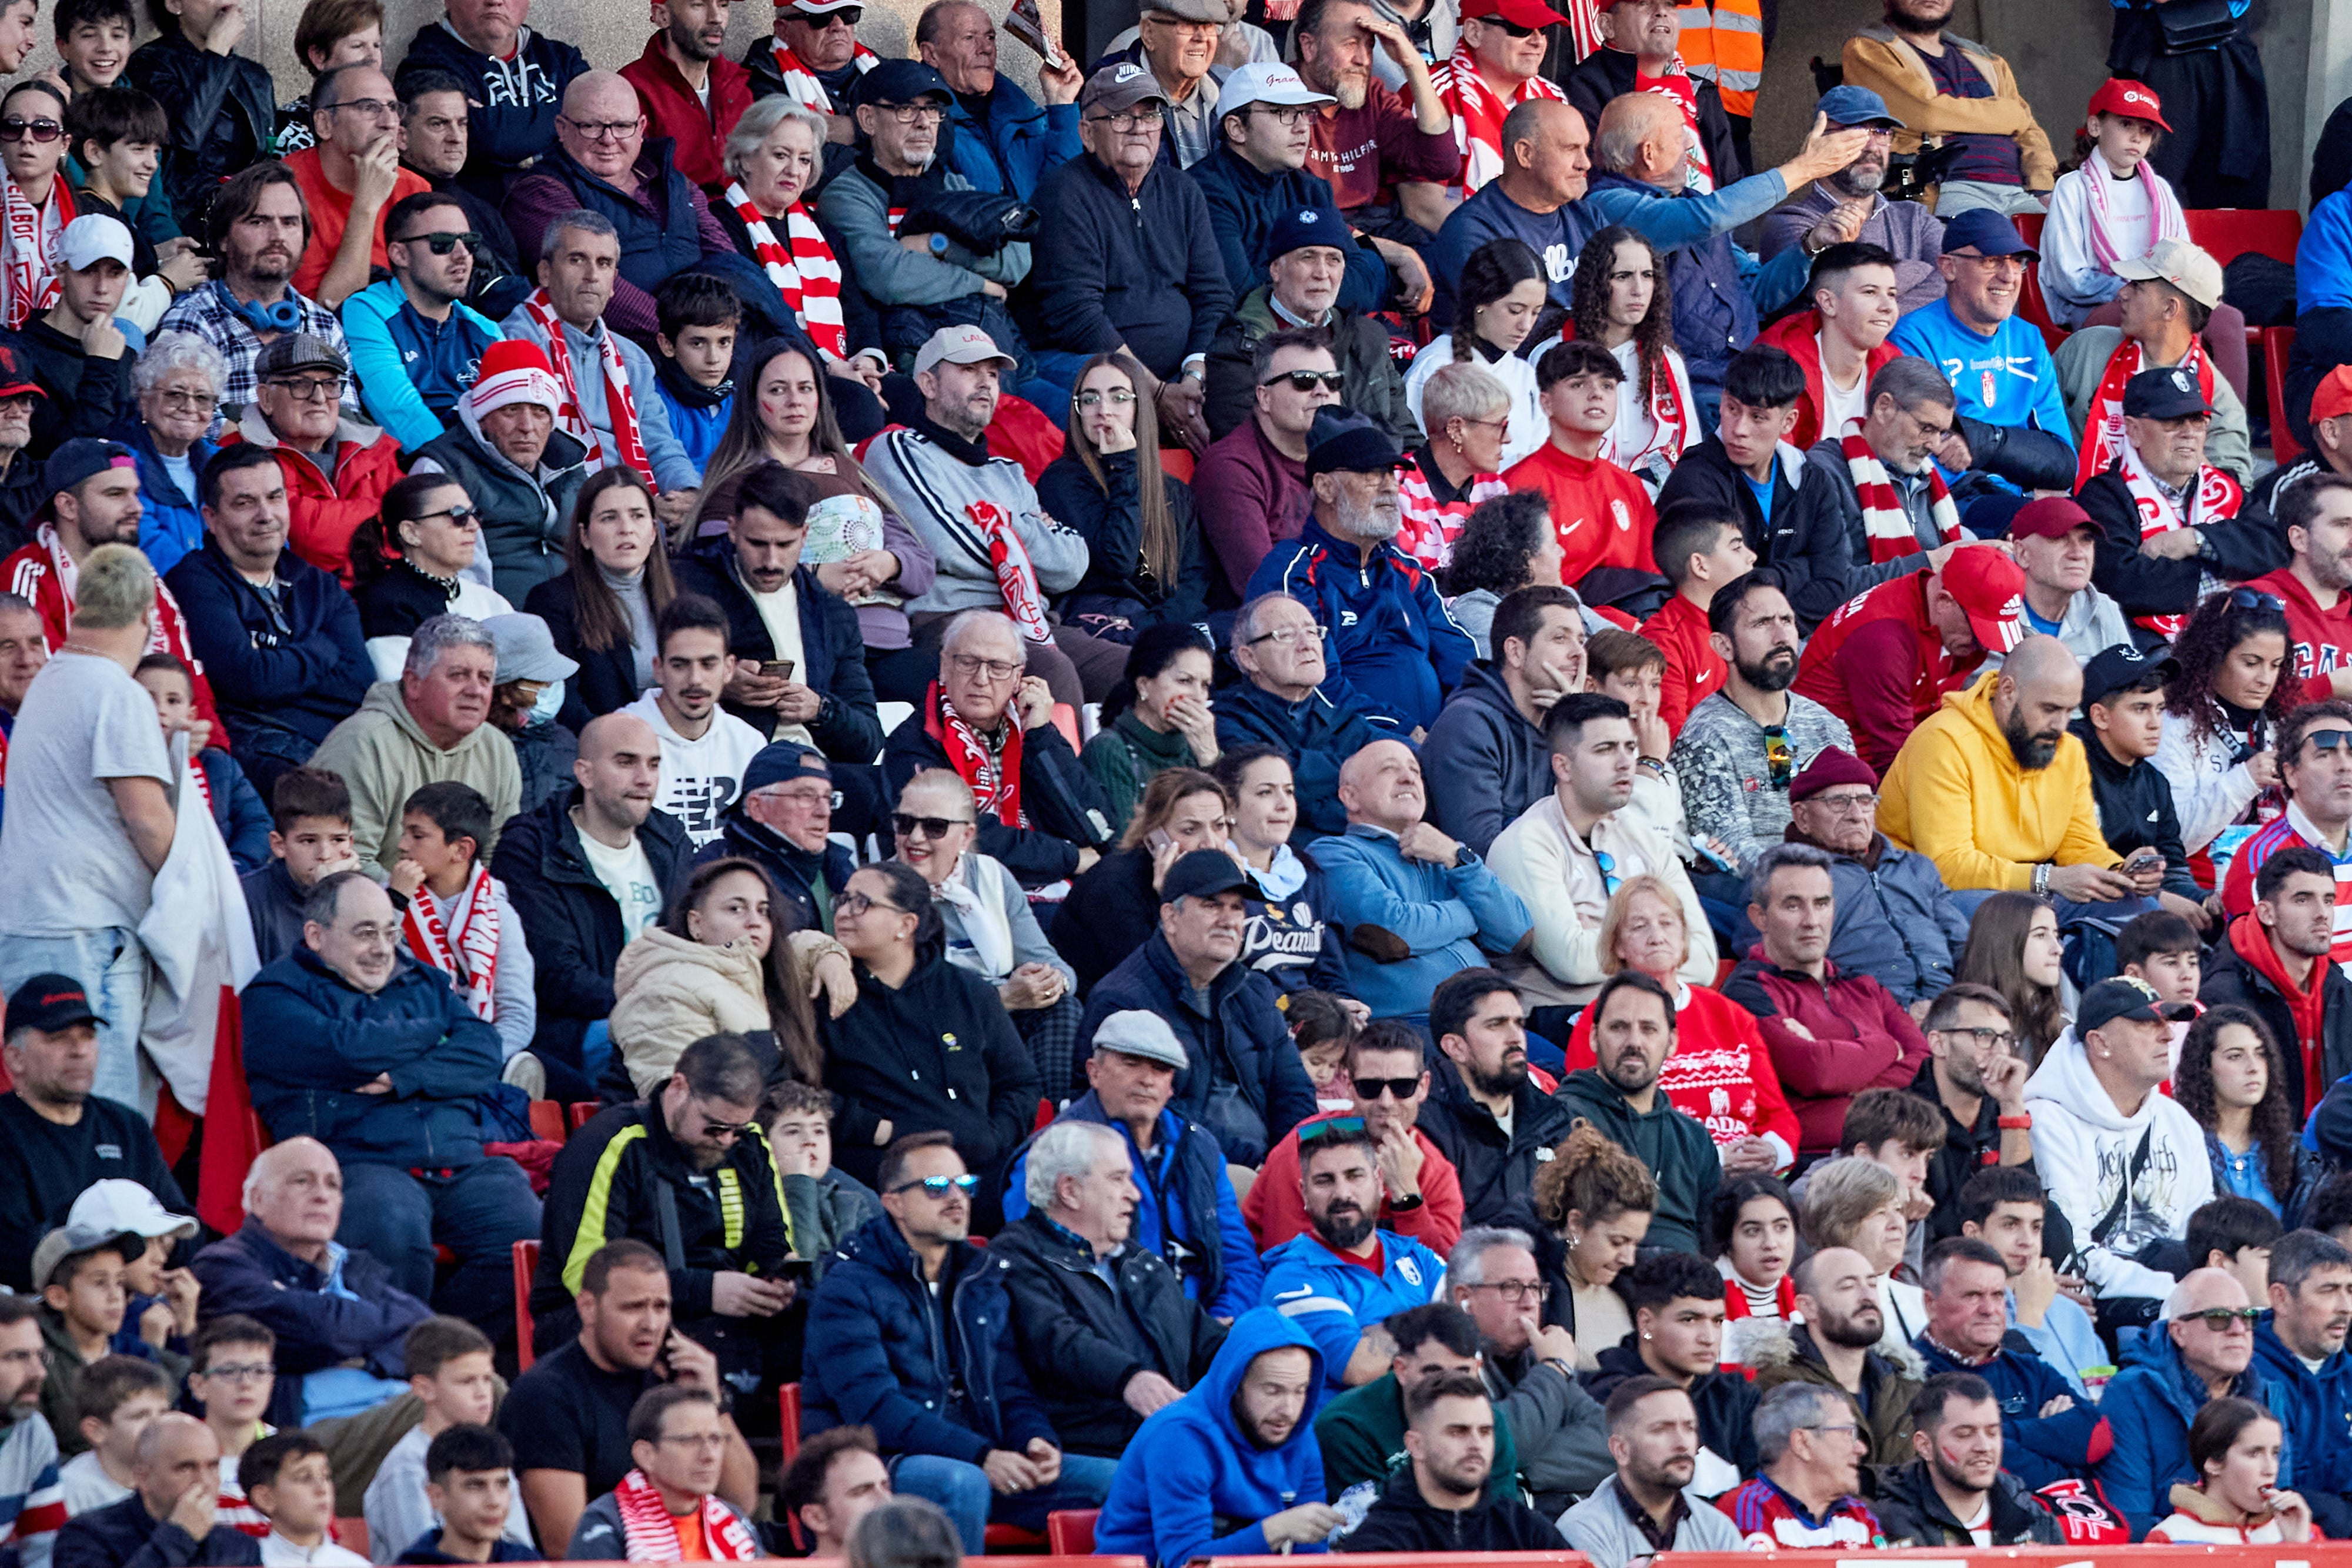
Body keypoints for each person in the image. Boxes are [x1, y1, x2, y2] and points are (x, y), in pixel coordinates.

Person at [239, 872, 539, 1343]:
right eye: (365, 933)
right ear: (316, 935)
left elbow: (484, 1051)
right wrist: (432, 1031)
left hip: (461, 1161)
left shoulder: (423, 980)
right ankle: (399, 1359)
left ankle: (442, 1347)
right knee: (392, 1228)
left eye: (389, 932)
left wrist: (403, 1077)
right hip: (360, 1162)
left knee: (531, 1232)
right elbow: (345, 1049)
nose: (382, 948)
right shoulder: (274, 994)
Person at [801, 1135, 1114, 1554]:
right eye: (936, 1186)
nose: (956, 1198)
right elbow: (874, 1409)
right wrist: (982, 1455)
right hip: (883, 1461)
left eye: (965, 1185)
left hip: (979, 1456)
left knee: (1116, 1480)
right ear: (894, 1203)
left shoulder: (979, 1277)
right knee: (960, 1483)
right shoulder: (848, 1286)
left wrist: (1035, 1439)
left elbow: (1009, 1386)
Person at [862, 327, 1121, 710]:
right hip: (950, 622)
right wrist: (1024, 538)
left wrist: (1000, 527)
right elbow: (946, 546)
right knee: (1052, 672)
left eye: (993, 374)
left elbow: (1072, 564)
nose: (986, 382)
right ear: (928, 384)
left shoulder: (1009, 472)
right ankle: (1057, 754)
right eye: (969, 370)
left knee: (1137, 672)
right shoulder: (899, 449)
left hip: (1031, 623)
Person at [0, 547, 173, 1108]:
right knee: (102, 1118)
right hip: (83, 929)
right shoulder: (115, 692)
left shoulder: (52, 682)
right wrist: (195, 891)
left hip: (43, 924)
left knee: (53, 1115)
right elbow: (146, 819)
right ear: (146, 617)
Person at [535, 1029, 797, 1376]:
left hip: (719, 1311)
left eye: (737, 1130)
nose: (726, 1140)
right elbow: (592, 1276)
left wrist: (775, 1280)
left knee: (822, 1330)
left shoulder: (749, 1144)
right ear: (679, 1088)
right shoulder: (611, 1143)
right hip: (608, 1314)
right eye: (714, 1127)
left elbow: (771, 1240)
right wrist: (706, 1291)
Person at [1003, 1008, 1264, 1321]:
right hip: (1113, 1330)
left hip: (1210, 1325)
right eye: (1131, 1064)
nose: (1147, 1080)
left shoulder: (1200, 1147)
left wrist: (1220, 1324)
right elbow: (1040, 1273)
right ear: (1094, 1072)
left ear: (1171, 1085)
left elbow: (1239, 1260)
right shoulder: (1051, 1153)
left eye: (1161, 1068)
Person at [497, 1239, 754, 1555]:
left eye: (661, 1307)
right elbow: (569, 1545)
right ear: (588, 1308)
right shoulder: (545, 1395)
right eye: (633, 1308)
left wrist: (712, 1402)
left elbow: (743, 1504)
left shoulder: (673, 1380)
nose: (651, 1324)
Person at [991, 1121, 1227, 1459]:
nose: (1135, 1194)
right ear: (1070, 1191)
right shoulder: (1017, 1258)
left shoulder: (1140, 1262)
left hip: (1168, 1440)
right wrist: (1129, 1379)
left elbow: (1201, 1335)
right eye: (1118, 1179)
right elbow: (1059, 1340)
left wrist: (1263, 1356)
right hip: (1089, 1448)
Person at [487, 711, 691, 1102]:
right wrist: (650, 1005)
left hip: (669, 1014)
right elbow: (555, 974)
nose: (644, 778)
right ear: (585, 773)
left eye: (653, 764)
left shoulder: (670, 840)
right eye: (626, 762)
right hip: (578, 1028)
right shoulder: (532, 846)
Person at [1070, 845, 1317, 1155]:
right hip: (1181, 1163)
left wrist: (1293, 1158)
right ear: (1171, 917)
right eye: (1212, 905)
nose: (1229, 920)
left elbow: (1294, 1089)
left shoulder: (1255, 990)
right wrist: (1256, 1164)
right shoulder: (1123, 1000)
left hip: (1269, 1162)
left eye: (1237, 908)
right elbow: (1161, 1115)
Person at [813, 62, 1042, 394]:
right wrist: (979, 283)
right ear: (868, 120)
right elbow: (889, 277)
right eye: (906, 110)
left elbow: (1018, 261)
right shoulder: (846, 195)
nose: (923, 123)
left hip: (999, 348)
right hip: (920, 364)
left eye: (932, 110)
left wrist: (937, 246)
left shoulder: (951, 183)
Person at [821, 864, 1043, 1194]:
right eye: (843, 900)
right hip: (877, 1178)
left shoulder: (969, 993)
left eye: (862, 903)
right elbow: (802, 1092)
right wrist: (882, 1131)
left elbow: (1020, 1083)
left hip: (977, 1171)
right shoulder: (824, 994)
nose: (843, 913)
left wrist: (993, 1137)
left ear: (906, 925)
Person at [1031, 65, 1228, 436]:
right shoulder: (1064, 194)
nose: (1139, 127)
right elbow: (1078, 317)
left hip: (1181, 373)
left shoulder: (1183, 191)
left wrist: (1194, 374)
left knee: (1253, 385)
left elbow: (1213, 295)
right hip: (1094, 365)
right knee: (1113, 395)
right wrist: (1155, 392)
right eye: (1121, 117)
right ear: (1087, 133)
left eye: (1150, 115)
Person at [1248, 412, 1474, 733]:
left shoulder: (1405, 570)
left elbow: (1461, 659)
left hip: (1437, 740)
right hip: (1349, 746)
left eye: (1391, 473)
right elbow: (1312, 687)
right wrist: (1403, 731)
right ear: (1325, 487)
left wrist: (1464, 725)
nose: (1389, 486)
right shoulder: (1293, 571)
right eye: (1371, 474)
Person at [1489, 696, 1716, 1012]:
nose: (1625, 763)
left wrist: (1598, 937)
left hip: (1659, 1012)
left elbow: (1704, 960)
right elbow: (1572, 963)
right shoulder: (1525, 844)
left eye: (1630, 747)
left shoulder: (1642, 836)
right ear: (1563, 767)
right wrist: (1658, 949)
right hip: (1567, 1018)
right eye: (1606, 749)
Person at [1562, 878, 1794, 1168]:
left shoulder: (1731, 1016)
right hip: (1662, 1178)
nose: (1657, 937)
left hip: (1752, 1174)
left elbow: (1777, 1114)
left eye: (1667, 923)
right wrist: (1713, 1162)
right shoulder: (1599, 1022)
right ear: (1618, 945)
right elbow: (1594, 1125)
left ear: (1683, 938)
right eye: (1639, 927)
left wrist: (1772, 1153)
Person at [878, 610, 1117, 890]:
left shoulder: (1033, 732)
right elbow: (958, 838)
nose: (982, 679)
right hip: (953, 892)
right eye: (968, 662)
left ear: (1018, 677)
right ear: (944, 666)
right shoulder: (915, 742)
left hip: (1054, 886)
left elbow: (1095, 825)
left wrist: (1041, 738)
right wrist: (1070, 858)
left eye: (998, 667)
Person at [1722, 844, 1929, 1159]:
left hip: (1898, 1156)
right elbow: (1816, 1071)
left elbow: (1922, 1064)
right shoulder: (1747, 991)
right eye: (1793, 906)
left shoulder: (1865, 987)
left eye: (1821, 904)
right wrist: (1888, 1047)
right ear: (1760, 917)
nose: (1811, 921)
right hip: (1813, 1163)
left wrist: (1846, 1074)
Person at [670, 466, 884, 761]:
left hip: (814, 767)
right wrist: (716, 684)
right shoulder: (686, 585)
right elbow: (647, 683)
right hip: (726, 763)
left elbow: (869, 741)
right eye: (757, 543)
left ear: (804, 536)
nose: (770, 561)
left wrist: (820, 710)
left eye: (785, 545)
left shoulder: (833, 614)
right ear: (733, 530)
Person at [2024, 975, 2214, 1310]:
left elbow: (2199, 1236)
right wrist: (2181, 1294)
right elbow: (2073, 1248)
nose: (2168, 1035)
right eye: (2147, 1023)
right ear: (2100, 1043)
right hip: (2097, 1310)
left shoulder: (2178, 1122)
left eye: (2167, 1022)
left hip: (2176, 1304)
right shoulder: (2048, 1121)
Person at [1092, 1308, 1338, 1564]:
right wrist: (1275, 1530)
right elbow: (1186, 1561)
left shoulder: (1298, 1434)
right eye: (1272, 1391)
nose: (1289, 1410)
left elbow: (1310, 1554)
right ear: (1235, 1385)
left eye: (1300, 1391)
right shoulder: (1180, 1437)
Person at [1314, 739, 1533, 1024]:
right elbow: (1392, 933)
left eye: (1415, 771)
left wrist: (1456, 857)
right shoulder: (1333, 853)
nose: (1408, 778)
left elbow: (1517, 933)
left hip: (1491, 1019)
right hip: (1408, 1025)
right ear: (1350, 797)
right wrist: (1471, 914)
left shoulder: (1444, 854)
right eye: (1389, 769)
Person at [497, 211, 702, 512]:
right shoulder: (512, 345)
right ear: (545, 272)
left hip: (635, 508)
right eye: (577, 260)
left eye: (604, 263)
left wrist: (687, 494)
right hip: (557, 508)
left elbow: (660, 445)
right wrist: (631, 508)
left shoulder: (634, 359)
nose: (592, 275)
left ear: (614, 281)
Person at [0, 977, 188, 1295]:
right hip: (45, 1309)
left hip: (140, 1303)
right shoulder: (6, 1132)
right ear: (15, 1058)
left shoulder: (127, 1126)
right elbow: (14, 1250)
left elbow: (184, 1225)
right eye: (59, 1038)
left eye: (88, 1036)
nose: (79, 1051)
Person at [890, 768, 1078, 1079]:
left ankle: (1047, 1108)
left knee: (1063, 1009)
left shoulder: (991, 876)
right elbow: (904, 1004)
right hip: (926, 1034)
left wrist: (1050, 982)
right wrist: (1002, 998)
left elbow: (1051, 963)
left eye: (935, 827)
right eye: (905, 823)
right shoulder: (880, 891)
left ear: (966, 836)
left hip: (996, 1023)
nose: (916, 838)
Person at [1885, 212, 2077, 516]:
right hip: (1955, 504)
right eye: (1991, 261)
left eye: (2017, 262)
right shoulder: (1913, 338)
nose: (2009, 276)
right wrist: (2024, 491)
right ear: (1949, 267)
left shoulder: (2027, 338)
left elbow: (2063, 462)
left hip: (2019, 496)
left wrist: (1979, 442)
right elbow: (1925, 457)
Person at [1672, 571, 1856, 875]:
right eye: (1762, 623)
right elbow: (1732, 851)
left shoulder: (1827, 726)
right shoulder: (1703, 738)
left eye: (1787, 620)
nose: (1781, 636)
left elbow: (1856, 825)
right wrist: (1818, 879)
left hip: (1843, 881)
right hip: (1767, 891)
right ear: (1723, 646)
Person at [308, 616, 519, 880]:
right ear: (414, 683)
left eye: (485, 678)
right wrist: (425, 903)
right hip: (371, 901)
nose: (476, 690)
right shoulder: (363, 741)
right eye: (458, 676)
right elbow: (342, 862)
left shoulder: (498, 748)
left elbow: (497, 859)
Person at [2096, 1266, 2291, 1537]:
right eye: (2219, 1318)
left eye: (2247, 1317)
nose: (2238, 1330)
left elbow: (2276, 1503)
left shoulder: (2269, 1395)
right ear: (2179, 1331)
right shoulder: (2131, 1394)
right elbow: (2130, 1519)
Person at [1259, 1119, 1449, 1392]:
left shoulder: (1416, 1255)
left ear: (1379, 1182)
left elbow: (1470, 1326)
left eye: (1354, 1176)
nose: (1342, 1193)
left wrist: (1381, 1332)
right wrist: (1437, 1323)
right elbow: (1357, 1367)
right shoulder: (1291, 1277)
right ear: (1305, 1194)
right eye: (1324, 1181)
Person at [1773, 748, 1969, 1012]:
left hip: (1948, 1008)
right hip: (1866, 1014)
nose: (1856, 814)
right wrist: (1895, 1014)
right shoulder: (1785, 877)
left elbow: (1963, 946)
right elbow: (1783, 971)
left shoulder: (1916, 867)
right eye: (1839, 802)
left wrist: (1967, 1004)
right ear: (1802, 817)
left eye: (1865, 801)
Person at [1906, 1237, 2106, 1489]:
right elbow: (1982, 1469)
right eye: (1973, 1296)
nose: (1989, 1309)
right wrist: (2055, 1442)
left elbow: (2099, 1435)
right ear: (1931, 1304)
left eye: (1998, 1295)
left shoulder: (2029, 1369)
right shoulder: (1911, 1378)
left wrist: (2005, 1433)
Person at [1247, 1019, 1462, 1254]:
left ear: (1423, 1087)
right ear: (1349, 1085)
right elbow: (1291, 1258)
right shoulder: (1304, 1147)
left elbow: (1442, 1269)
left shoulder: (1437, 1169)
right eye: (1370, 1087)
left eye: (1403, 1087)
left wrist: (1408, 1196)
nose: (1386, 1102)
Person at [1202, 207, 1412, 447]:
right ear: (1276, 269)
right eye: (1308, 258)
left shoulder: (1369, 337)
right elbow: (1248, 449)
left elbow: (1408, 437)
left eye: (1333, 260)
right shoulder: (1238, 349)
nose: (1322, 273)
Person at [154, 166, 352, 419]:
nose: (278, 236)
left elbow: (348, 424)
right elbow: (185, 423)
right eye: (258, 222)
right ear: (223, 239)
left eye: (289, 223)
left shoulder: (324, 326)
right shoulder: (191, 321)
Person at [1190, 65, 1382, 322]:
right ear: (1237, 129)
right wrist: (1317, 284)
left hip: (1314, 335)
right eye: (1283, 113)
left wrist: (1286, 279)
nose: (1302, 127)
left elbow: (1363, 287)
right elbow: (1242, 296)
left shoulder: (1312, 190)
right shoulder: (1202, 192)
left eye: (1305, 113)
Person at [407, 342, 592, 609]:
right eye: (511, 410)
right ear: (483, 417)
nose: (527, 427)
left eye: (540, 412)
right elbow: (457, 584)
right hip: (500, 624)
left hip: (582, 616)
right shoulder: (442, 470)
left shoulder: (570, 462)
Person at [1039, 355, 1210, 643]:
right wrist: (1124, 465)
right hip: (1094, 623)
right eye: (1090, 399)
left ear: (1139, 408)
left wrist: (1157, 625)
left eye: (1118, 398)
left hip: (1159, 624)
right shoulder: (1061, 481)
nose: (1103, 411)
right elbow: (1117, 559)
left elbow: (1193, 581)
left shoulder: (1175, 491)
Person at [2059, 240, 2251, 489]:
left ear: (2169, 308)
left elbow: (2233, 491)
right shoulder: (2086, 348)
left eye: (2137, 286)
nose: (2122, 293)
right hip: (2077, 504)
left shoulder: (2216, 396)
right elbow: (2035, 424)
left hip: (2168, 514)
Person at [222, 333, 404, 590]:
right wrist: (386, 517)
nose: (319, 398)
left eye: (330, 384)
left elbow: (418, 523)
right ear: (266, 398)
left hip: (387, 595)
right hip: (299, 601)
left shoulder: (376, 448)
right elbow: (305, 537)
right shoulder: (238, 456)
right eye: (301, 385)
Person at [1839, 0, 2052, 218]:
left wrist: (2042, 186)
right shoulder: (1866, 50)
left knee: (2061, 233)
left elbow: (2030, 131)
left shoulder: (1988, 61)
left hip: (2019, 192)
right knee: (1989, 235)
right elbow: (1926, 114)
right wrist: (2011, 116)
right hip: (1944, 190)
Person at [1424, 584, 1586, 855]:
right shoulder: (1468, 725)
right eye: (1560, 638)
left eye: (1581, 640)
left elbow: (1604, 826)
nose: (1578, 653)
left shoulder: (1564, 721)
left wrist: (1580, 726)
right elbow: (1485, 850)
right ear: (1515, 652)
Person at [339, 193, 506, 454]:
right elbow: (399, 411)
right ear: (400, 254)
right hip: (417, 468)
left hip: (483, 465)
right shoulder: (367, 311)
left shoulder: (488, 331)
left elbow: (512, 416)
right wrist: (455, 467)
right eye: (443, 243)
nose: (462, 255)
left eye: (469, 242)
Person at [1756, 85, 1943, 311]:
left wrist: (1877, 311)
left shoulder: (1915, 218)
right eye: (1856, 131)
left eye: (1881, 132)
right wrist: (1922, 270)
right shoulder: (1791, 223)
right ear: (1820, 140)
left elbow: (1958, 280)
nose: (1872, 146)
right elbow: (1836, 302)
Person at [1337, 1370, 1567, 1551]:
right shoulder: (1378, 1542)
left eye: (1485, 1431)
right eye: (1458, 1432)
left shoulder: (1528, 1531)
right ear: (1416, 1445)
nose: (1476, 1444)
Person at [1411, 969, 1572, 1226]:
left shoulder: (1553, 1117)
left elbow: (1580, 1219)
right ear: (1456, 1047)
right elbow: (1442, 1236)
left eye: (1519, 1023)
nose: (1516, 1037)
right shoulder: (1424, 1125)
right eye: (1496, 1025)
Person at [360, 1319, 530, 1564]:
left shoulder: (492, 1453)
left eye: (486, 1379)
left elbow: (521, 1548)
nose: (483, 1392)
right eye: (467, 1381)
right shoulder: (407, 1465)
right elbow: (420, 1556)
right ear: (425, 1389)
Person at [1585, 1251, 1760, 1486]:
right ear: (1646, 1323)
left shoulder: (1737, 1396)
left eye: (1717, 1321)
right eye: (1690, 1320)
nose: (1709, 1338)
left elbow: (1764, 1488)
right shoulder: (1609, 1398)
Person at [2203, 847, 2352, 1123]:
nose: (2322, 914)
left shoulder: (2341, 990)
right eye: (2303, 900)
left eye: (2329, 900)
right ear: (2267, 913)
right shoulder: (2222, 997)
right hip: (2262, 1144)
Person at [1191, 329, 1341, 600]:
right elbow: (1266, 587)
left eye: (1332, 381)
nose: (1322, 391)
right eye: (1304, 381)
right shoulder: (1230, 468)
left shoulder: (1344, 459)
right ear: (1264, 397)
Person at [1498, 343, 1659, 593]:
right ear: (1547, 404)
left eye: (1607, 386)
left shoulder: (1631, 488)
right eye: (1578, 385)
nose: (1596, 394)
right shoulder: (1517, 487)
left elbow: (1652, 583)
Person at [523, 464, 673, 728]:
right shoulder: (552, 602)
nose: (626, 529)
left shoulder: (685, 592)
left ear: (653, 531)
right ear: (585, 536)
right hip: (602, 744)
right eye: (609, 518)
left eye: (637, 516)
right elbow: (564, 705)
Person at [1745, 1245, 1920, 1470]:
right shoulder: (1776, 1391)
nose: (1867, 1296)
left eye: (1872, 1284)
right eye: (1848, 1287)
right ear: (1808, 1307)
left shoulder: (1907, 1386)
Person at [1558, 1378, 1748, 1565]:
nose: (1682, 1443)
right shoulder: (1583, 1528)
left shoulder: (1717, 1528)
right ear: (1621, 1450)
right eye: (1661, 1430)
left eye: (1690, 1428)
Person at [2219, 702, 2352, 964]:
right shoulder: (2264, 858)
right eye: (2325, 755)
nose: (2344, 766)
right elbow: (2260, 973)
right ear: (2291, 775)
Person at [390, 71, 527, 322]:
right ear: (402, 136)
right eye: (438, 124)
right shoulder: (390, 203)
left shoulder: (485, 211)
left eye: (462, 124)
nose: (455, 138)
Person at [561, 1385, 758, 1560]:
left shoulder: (733, 1519)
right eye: (690, 1440)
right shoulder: (609, 1521)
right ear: (646, 1455)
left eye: (715, 1439)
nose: (709, 1456)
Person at [1873, 1371, 2066, 1547]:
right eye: (1965, 1434)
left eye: (1992, 1433)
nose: (1984, 1447)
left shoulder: (2032, 1518)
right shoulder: (1888, 1525)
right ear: (1925, 1446)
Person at [350, 477, 513, 681]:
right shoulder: (385, 605)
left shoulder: (491, 601)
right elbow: (402, 685)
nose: (474, 526)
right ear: (411, 533)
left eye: (475, 514)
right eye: (458, 515)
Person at [1405, 242, 1546, 476]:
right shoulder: (1434, 367)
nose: (1526, 325)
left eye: (1536, 312)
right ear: (1481, 303)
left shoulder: (1526, 375)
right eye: (1515, 310)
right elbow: (1418, 461)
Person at [917, 0, 1080, 202]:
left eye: (990, 37)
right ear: (931, 54)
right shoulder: (920, 124)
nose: (986, 48)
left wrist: (1061, 103)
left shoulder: (1026, 114)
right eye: (969, 38)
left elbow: (1066, 194)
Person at [2173, 1009, 2322, 1224]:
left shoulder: (2297, 1155)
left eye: (2260, 1054)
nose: (2253, 1067)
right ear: (2205, 1067)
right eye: (2235, 1056)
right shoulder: (2180, 1147)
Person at [54, 1414, 261, 1568]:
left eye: (213, 1467)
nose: (204, 1482)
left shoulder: (238, 1547)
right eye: (186, 1468)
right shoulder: (88, 1536)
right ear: (143, 1477)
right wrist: (179, 1537)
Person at [2251, 1229, 2352, 1536]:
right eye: (2328, 1290)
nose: (2345, 1307)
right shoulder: (2250, 1376)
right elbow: (2276, 1484)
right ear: (2281, 1298)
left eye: (2350, 1290)